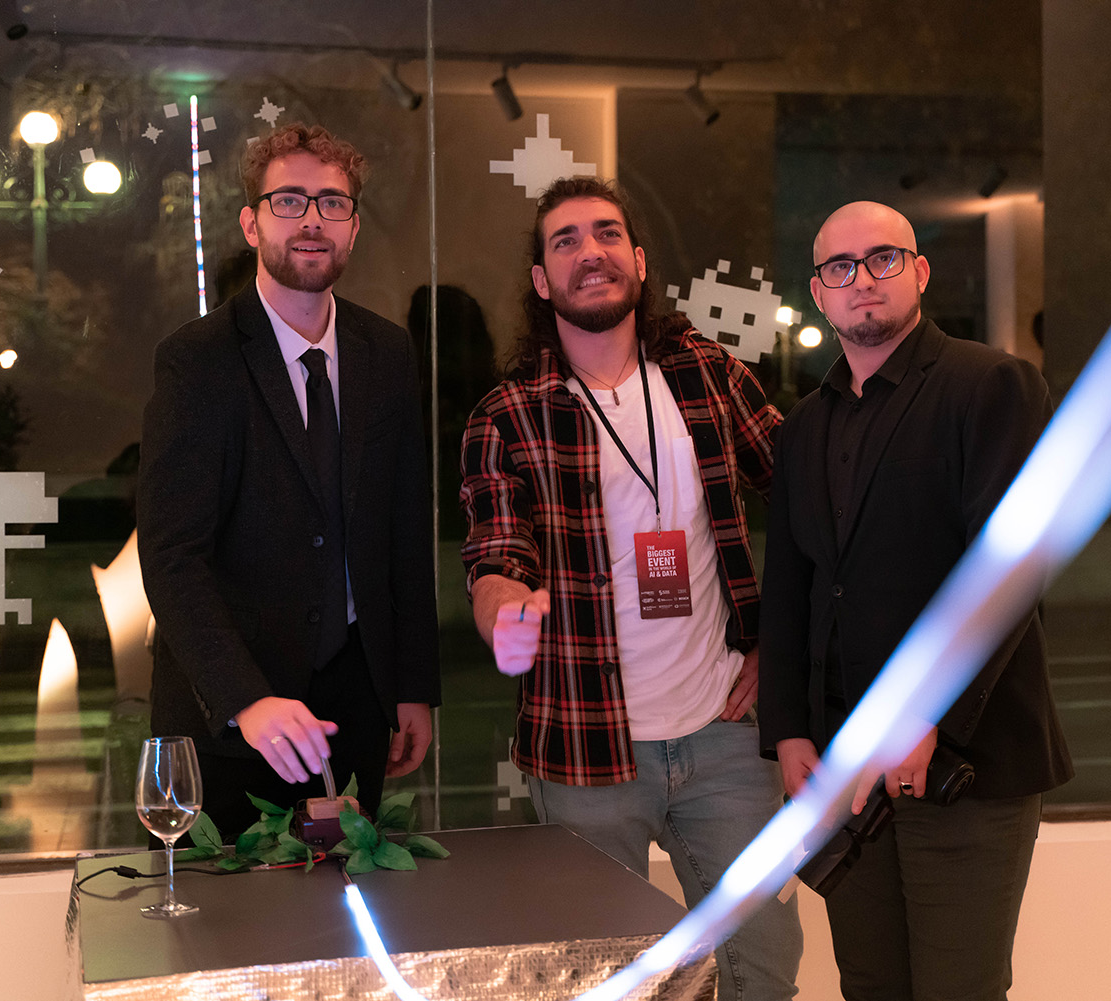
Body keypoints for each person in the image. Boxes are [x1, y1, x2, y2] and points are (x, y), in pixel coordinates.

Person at [460, 176, 802, 1001]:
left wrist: (781, 643)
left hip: (727, 737)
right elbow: (495, 554)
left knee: (763, 973)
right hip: (585, 747)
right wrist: (506, 616)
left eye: (607, 233)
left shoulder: (707, 374)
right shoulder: (507, 414)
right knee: (605, 985)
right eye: (566, 240)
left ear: (640, 262)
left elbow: (809, 502)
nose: (591, 252)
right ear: (542, 280)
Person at [759, 200, 1074, 1001]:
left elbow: (1009, 570)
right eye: (840, 267)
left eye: (884, 258)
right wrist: (789, 729)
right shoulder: (803, 427)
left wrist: (927, 714)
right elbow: (791, 586)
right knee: (869, 984)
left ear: (920, 271)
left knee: (958, 988)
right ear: (818, 293)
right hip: (842, 768)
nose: (862, 279)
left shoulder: (992, 385)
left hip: (966, 762)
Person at [138, 122, 439, 833]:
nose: (312, 220)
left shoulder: (386, 351)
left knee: (354, 900)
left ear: (353, 227)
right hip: (233, 720)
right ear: (252, 224)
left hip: (358, 704)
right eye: (289, 201)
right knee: (221, 904)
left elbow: (404, 529)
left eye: (332, 203)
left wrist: (413, 686)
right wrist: (245, 699)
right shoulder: (196, 361)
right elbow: (173, 556)